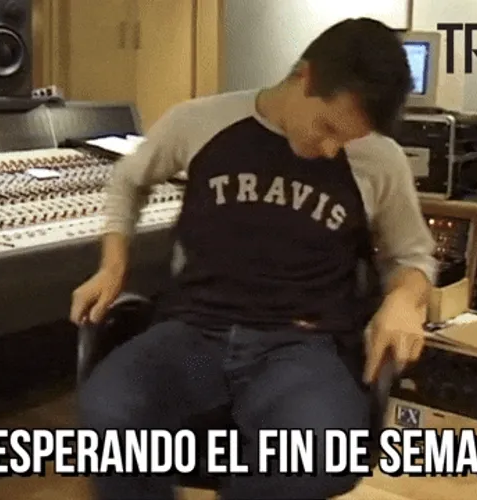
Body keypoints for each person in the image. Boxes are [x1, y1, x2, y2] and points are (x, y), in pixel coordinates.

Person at [70, 17, 437, 500]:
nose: (332, 150)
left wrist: (404, 299)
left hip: (303, 346)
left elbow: (413, 255)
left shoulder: (380, 159)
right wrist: (113, 264)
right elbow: (128, 179)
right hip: (194, 331)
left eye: (347, 141)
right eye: (327, 127)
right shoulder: (198, 121)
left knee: (314, 457)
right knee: (109, 419)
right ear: (305, 76)